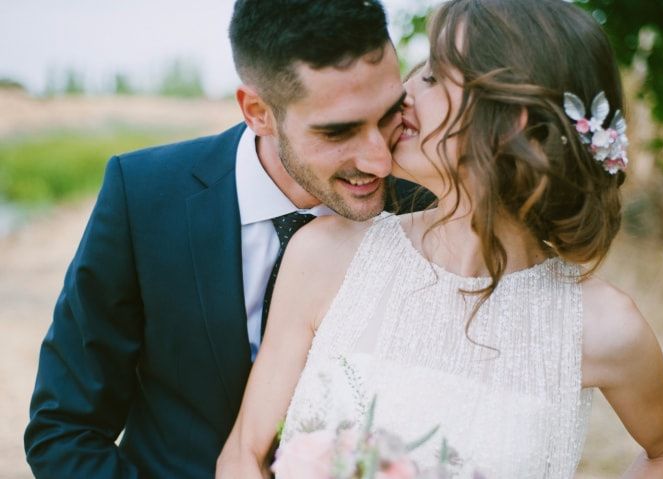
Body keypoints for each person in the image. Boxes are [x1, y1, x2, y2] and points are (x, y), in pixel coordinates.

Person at [216, 0, 663, 477]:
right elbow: (242, 455)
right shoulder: (324, 255)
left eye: (431, 77)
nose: (403, 92)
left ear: (506, 122)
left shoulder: (602, 327)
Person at [24, 1, 429, 477]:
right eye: (338, 131)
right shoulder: (143, 196)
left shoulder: (431, 207)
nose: (380, 160)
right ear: (258, 112)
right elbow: (65, 429)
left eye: (388, 115)